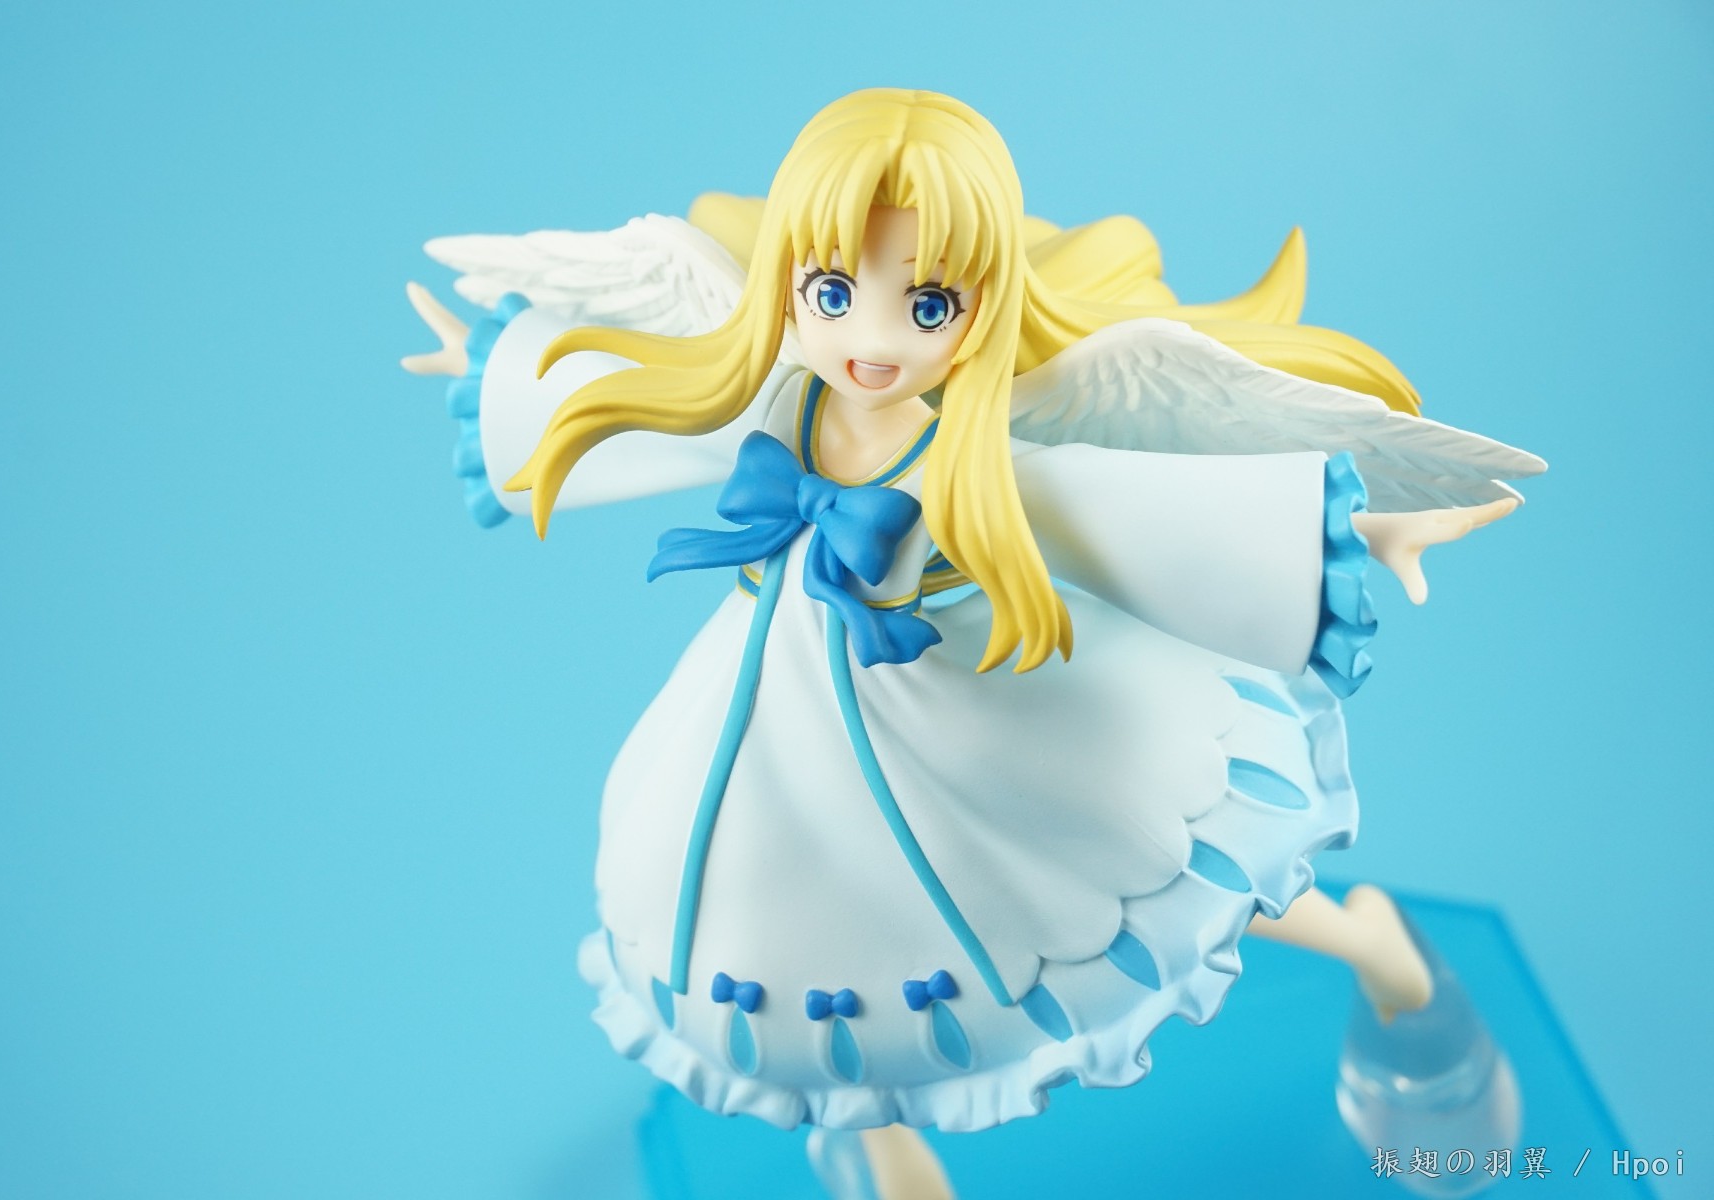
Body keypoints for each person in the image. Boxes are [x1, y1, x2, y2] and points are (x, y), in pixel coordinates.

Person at [402, 88, 1542, 1200]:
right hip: (771, 702)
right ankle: (882, 1145)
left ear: (981, 303)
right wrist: (499, 377)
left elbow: (1139, 514)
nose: (873, 339)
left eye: (928, 304)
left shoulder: (979, 443)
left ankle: (1371, 945)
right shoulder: (782, 395)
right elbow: (650, 406)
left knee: (1116, 877)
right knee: (797, 914)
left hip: (965, 713)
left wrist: (1366, 529)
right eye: (834, 292)